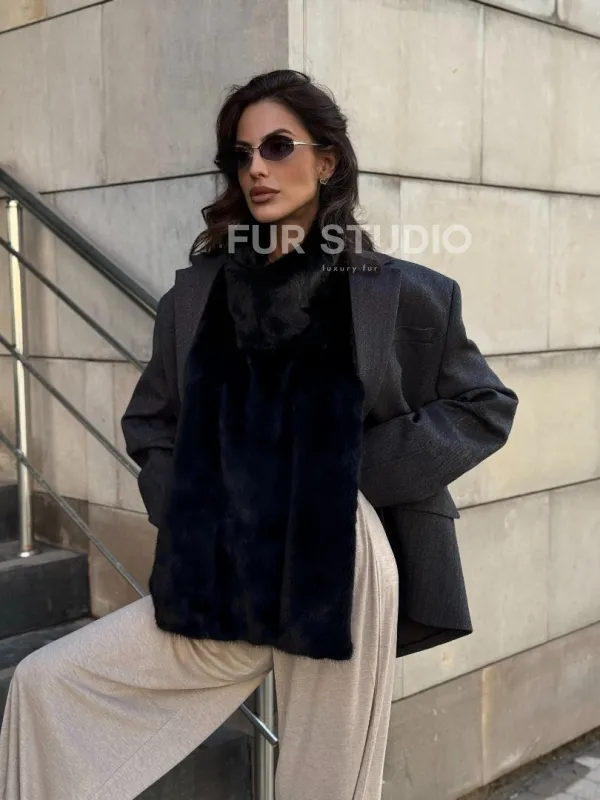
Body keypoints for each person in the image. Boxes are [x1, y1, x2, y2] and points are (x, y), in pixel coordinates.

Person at [0, 69, 518, 800]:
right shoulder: (196, 297)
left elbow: (483, 405)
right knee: (46, 684)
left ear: (326, 161)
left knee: (322, 786)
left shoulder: (400, 292)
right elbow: (151, 423)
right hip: (224, 570)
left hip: (340, 564)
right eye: (242, 155)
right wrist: (193, 511)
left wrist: (338, 474)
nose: (257, 169)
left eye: (278, 147)